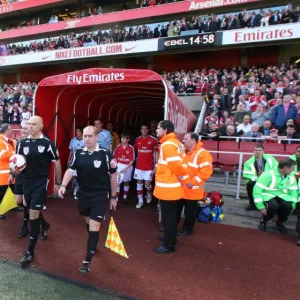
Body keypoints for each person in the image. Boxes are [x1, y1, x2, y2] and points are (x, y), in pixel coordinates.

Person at [58, 126, 117, 274]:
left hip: (99, 195)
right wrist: (63, 185)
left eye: (90, 136)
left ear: (97, 137)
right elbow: (70, 170)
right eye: (84, 136)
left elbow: (113, 176)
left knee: (94, 227)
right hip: (83, 194)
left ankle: (87, 260)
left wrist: (113, 197)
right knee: (87, 221)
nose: (86, 139)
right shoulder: (78, 153)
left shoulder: (106, 154)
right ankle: (93, 240)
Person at [15, 116, 62, 265]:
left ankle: (29, 251)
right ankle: (45, 225)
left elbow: (57, 163)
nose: (31, 126)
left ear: (41, 126)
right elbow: (17, 162)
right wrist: (14, 172)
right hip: (26, 180)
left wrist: (58, 183)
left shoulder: (48, 144)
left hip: (40, 182)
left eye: (34, 124)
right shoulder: (21, 143)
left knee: (33, 214)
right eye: (29, 124)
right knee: (23, 205)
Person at [153, 120, 191, 253]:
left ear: (165, 130)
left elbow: (176, 166)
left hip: (168, 188)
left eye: (158, 128)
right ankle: (169, 239)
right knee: (172, 216)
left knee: (168, 217)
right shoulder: (177, 143)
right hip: (173, 187)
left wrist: (185, 180)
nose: (156, 130)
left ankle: (169, 245)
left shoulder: (167, 145)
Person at [177, 132, 213, 235]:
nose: (183, 141)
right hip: (180, 189)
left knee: (190, 212)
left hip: (192, 190)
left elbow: (206, 171)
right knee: (176, 211)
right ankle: (172, 227)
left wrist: (192, 182)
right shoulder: (183, 151)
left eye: (186, 139)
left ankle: (187, 229)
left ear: (193, 140)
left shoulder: (203, 153)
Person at [253, 158, 298, 234]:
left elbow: (294, 191)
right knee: (273, 206)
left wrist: (293, 205)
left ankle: (280, 222)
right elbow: (257, 191)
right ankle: (264, 220)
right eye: (292, 169)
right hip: (267, 195)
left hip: (282, 195)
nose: (293, 171)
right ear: (286, 168)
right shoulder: (267, 174)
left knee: (287, 206)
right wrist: (260, 206)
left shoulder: (291, 176)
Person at [243, 144, 278, 210]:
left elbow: (276, 168)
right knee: (250, 184)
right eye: (256, 150)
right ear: (253, 151)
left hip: (269, 179)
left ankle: (268, 204)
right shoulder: (248, 162)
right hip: (256, 179)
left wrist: (265, 175)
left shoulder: (270, 158)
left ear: (263, 151)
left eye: (259, 150)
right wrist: (258, 178)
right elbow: (247, 174)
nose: (257, 152)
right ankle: (252, 204)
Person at [133, 124, 158, 209]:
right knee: (139, 182)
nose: (144, 131)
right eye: (142, 129)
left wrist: (156, 165)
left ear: (148, 130)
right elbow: (135, 152)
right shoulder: (137, 140)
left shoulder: (153, 140)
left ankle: (149, 192)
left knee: (147, 184)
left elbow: (156, 153)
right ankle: (140, 201)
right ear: (140, 130)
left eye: (145, 129)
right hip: (139, 166)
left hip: (149, 166)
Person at [0, 123, 16, 220]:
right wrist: (15, 153)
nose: (12, 131)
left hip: (10, 172)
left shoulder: (9, 141)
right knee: (1, 194)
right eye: (10, 129)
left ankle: (12, 207)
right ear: (6, 131)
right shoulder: (1, 141)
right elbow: (2, 155)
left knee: (11, 191)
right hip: (3, 174)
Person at [113, 133, 135, 203]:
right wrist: (115, 167)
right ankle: (116, 198)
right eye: (121, 138)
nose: (122, 140)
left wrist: (126, 168)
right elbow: (114, 158)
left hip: (127, 166)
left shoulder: (131, 148)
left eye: (124, 138)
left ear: (128, 140)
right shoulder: (118, 147)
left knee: (126, 182)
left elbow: (132, 160)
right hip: (119, 166)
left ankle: (125, 196)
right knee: (117, 182)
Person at [68, 127, 84, 200]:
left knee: (80, 176)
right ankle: (77, 187)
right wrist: (69, 159)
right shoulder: (73, 140)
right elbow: (71, 151)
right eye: (76, 131)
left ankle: (77, 190)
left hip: (82, 161)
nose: (77, 132)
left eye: (79, 131)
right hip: (74, 160)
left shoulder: (85, 140)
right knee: (72, 176)